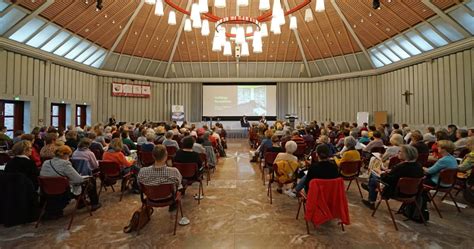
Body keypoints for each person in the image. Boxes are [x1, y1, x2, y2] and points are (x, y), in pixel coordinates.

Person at [40, 145, 101, 218]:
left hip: (47, 189)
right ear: (65, 155)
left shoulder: (46, 162)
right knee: (90, 180)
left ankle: (81, 202)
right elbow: (79, 179)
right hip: (64, 191)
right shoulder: (65, 164)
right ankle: (94, 203)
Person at [362, 145, 424, 210]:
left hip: (396, 192)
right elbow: (402, 175)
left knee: (373, 177)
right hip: (413, 193)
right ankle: (370, 189)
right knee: (374, 177)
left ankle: (371, 201)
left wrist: (381, 172)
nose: (398, 153)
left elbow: (387, 180)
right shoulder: (419, 166)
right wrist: (390, 171)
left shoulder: (401, 167)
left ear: (406, 154)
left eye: (400, 151)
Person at [138, 145, 183, 211]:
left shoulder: (142, 171)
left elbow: (140, 185)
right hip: (169, 198)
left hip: (151, 198)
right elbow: (179, 184)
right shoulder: (174, 171)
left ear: (153, 156)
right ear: (166, 156)